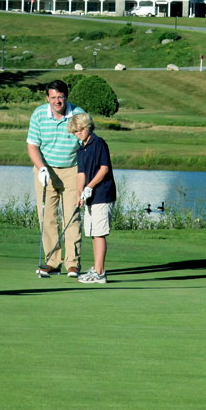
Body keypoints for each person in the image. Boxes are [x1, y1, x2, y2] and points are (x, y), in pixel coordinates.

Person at [26, 80, 85, 278]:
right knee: (47, 217)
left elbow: (86, 145)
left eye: (60, 97)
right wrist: (41, 168)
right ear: (47, 98)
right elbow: (33, 145)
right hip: (46, 170)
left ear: (66, 97)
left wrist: (84, 176)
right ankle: (52, 261)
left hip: (73, 170)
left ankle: (72, 264)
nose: (57, 101)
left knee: (71, 216)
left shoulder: (78, 115)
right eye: (53, 98)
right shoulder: (39, 114)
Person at [68, 112, 115, 284]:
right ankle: (96, 269)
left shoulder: (99, 143)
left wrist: (89, 187)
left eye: (80, 130)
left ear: (87, 127)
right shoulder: (81, 149)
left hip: (102, 193)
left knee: (99, 233)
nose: (78, 134)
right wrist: (79, 193)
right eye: (75, 132)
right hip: (90, 195)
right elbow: (80, 174)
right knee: (94, 233)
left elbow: (104, 169)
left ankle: (100, 273)